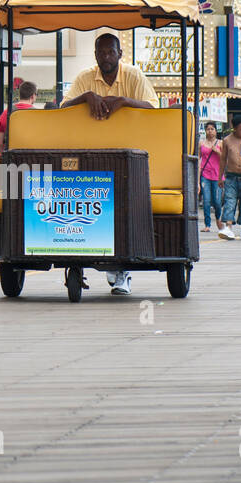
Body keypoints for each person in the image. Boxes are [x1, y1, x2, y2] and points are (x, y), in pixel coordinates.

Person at [60, 32, 159, 294]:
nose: (106, 57)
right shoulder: (84, 78)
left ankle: (121, 271)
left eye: (110, 52)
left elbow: (154, 107)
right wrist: (86, 97)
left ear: (120, 54)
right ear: (95, 56)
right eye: (101, 53)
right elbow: (62, 107)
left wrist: (125, 101)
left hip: (129, 154)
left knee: (123, 205)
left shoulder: (134, 76)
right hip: (92, 154)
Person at [0, 79, 38, 156]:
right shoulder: (38, 114)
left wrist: (4, 157)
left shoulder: (6, 113)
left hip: (11, 158)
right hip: (32, 158)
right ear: (32, 96)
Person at [199, 121, 225, 232]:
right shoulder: (201, 143)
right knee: (206, 200)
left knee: (217, 201)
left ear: (216, 131)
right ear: (205, 131)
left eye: (212, 129)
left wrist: (218, 152)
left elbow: (225, 159)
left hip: (218, 176)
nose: (210, 131)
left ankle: (218, 218)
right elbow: (198, 160)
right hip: (205, 174)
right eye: (208, 129)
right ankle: (207, 224)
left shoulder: (221, 143)